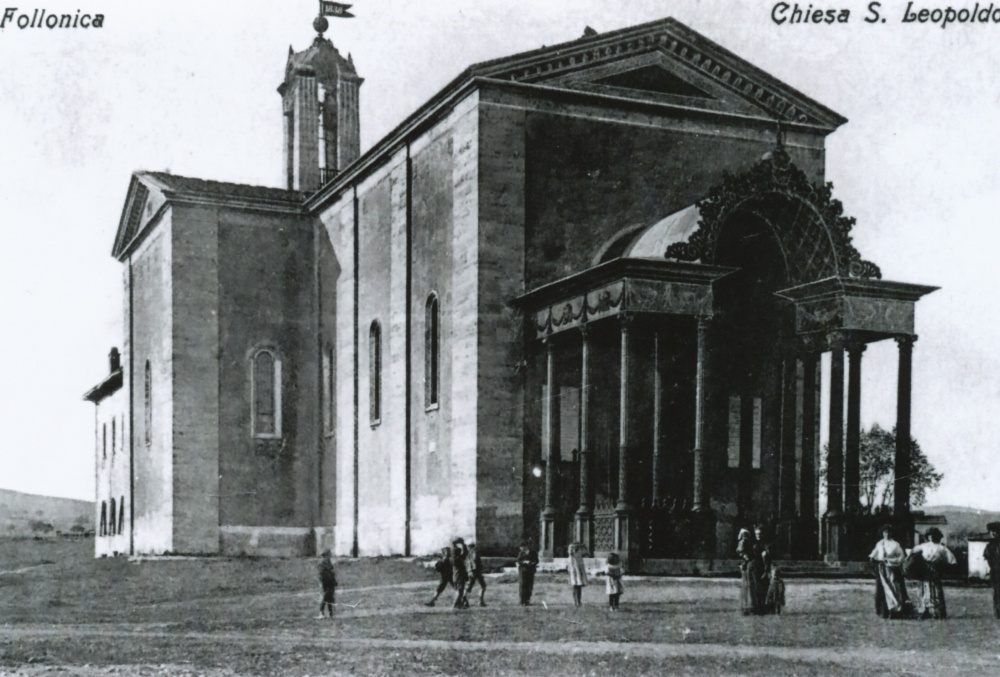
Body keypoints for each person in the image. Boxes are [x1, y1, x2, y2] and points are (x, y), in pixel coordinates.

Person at [910, 527, 956, 620]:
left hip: (935, 570)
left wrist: (942, 565)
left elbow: (952, 560)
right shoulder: (923, 546)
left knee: (935, 589)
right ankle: (924, 611)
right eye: (930, 536)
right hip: (924, 570)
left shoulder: (941, 548)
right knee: (923, 589)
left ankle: (936, 612)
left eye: (933, 535)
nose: (931, 537)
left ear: (937, 537)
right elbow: (911, 554)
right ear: (928, 537)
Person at [869, 524, 909, 619]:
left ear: (891, 533)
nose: (886, 534)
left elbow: (901, 556)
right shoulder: (880, 543)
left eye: (888, 532)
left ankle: (895, 610)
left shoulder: (895, 544)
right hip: (881, 569)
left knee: (893, 589)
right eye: (885, 532)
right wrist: (873, 560)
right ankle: (883, 611)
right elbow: (874, 554)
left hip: (892, 569)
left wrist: (892, 561)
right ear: (882, 533)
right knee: (881, 590)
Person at [984, 521, 1000, 619]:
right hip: (995, 571)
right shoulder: (990, 545)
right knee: (996, 591)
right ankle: (998, 612)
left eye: (995, 531)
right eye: (991, 531)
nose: (993, 533)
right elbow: (987, 557)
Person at [736, 528, 754, 615]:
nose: (745, 537)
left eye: (746, 535)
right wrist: (745, 557)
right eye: (744, 535)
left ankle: (749, 604)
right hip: (745, 564)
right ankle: (745, 605)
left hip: (748, 564)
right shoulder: (742, 543)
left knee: (749, 585)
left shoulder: (748, 543)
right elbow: (741, 552)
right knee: (745, 585)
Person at [516, 540, 538, 606]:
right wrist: (524, 562)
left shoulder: (533, 553)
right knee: (522, 585)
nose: (521, 549)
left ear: (525, 547)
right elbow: (518, 561)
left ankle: (527, 600)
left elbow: (536, 561)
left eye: (522, 547)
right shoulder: (521, 553)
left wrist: (531, 563)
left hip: (530, 570)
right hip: (523, 571)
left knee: (529, 585)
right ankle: (522, 600)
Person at [465, 542, 487, 607]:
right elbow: (475, 560)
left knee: (469, 587)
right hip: (476, 571)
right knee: (483, 586)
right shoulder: (474, 552)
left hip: (471, 571)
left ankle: (464, 600)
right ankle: (480, 601)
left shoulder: (468, 554)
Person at [317, 549, 337, 619]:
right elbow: (323, 574)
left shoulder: (329, 563)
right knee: (326, 597)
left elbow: (332, 572)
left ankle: (331, 613)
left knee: (330, 598)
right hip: (326, 582)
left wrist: (334, 581)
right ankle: (321, 612)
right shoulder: (322, 564)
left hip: (331, 582)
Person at [567, 542, 588, 607]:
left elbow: (586, 552)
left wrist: (584, 546)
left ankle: (578, 601)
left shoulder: (579, 555)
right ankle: (576, 601)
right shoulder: (571, 557)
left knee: (578, 587)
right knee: (575, 587)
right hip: (574, 573)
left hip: (578, 573)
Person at [451, 538, 470, 609]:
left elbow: (464, 554)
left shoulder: (454, 559)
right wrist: (463, 544)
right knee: (460, 591)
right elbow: (465, 553)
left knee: (459, 590)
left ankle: (459, 605)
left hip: (456, 576)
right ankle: (454, 605)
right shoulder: (458, 559)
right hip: (459, 576)